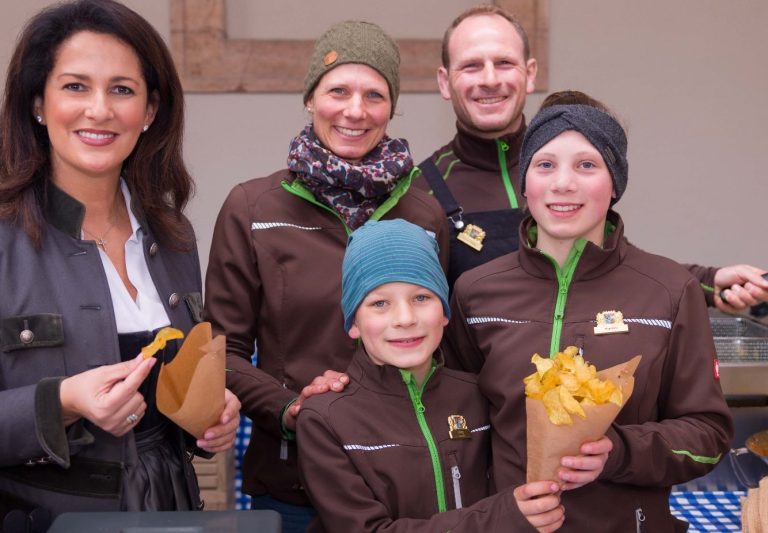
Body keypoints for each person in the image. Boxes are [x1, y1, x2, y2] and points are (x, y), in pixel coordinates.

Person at [0, 1, 240, 528]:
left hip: (172, 508)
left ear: (150, 111)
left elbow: (175, 390)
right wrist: (61, 402)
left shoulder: (173, 237)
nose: (99, 110)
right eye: (75, 86)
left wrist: (208, 416)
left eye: (122, 90)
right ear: (38, 102)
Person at [204, 21, 449, 531]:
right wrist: (290, 409)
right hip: (294, 482)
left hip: (405, 484)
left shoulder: (425, 216)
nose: (355, 110)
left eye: (374, 95)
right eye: (338, 91)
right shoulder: (253, 208)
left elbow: (444, 345)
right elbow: (220, 352)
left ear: (391, 106)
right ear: (310, 99)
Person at [444, 102, 734, 531]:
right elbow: (457, 427)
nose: (563, 183)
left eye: (586, 165)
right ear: (525, 183)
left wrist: (620, 451)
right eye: (545, 164)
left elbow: (708, 436)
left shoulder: (671, 291)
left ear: (615, 183)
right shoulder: (475, 292)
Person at [413, 5, 768, 308]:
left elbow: (619, 263)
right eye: (471, 66)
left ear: (530, 73)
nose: (490, 79)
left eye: (504, 62)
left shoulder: (571, 168)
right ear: (444, 82)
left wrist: (710, 282)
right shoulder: (421, 189)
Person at [298, 218, 606, 532]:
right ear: (353, 322)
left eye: (421, 297)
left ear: (445, 312)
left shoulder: (479, 396)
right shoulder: (325, 419)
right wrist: (499, 519)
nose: (405, 318)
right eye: (379, 303)